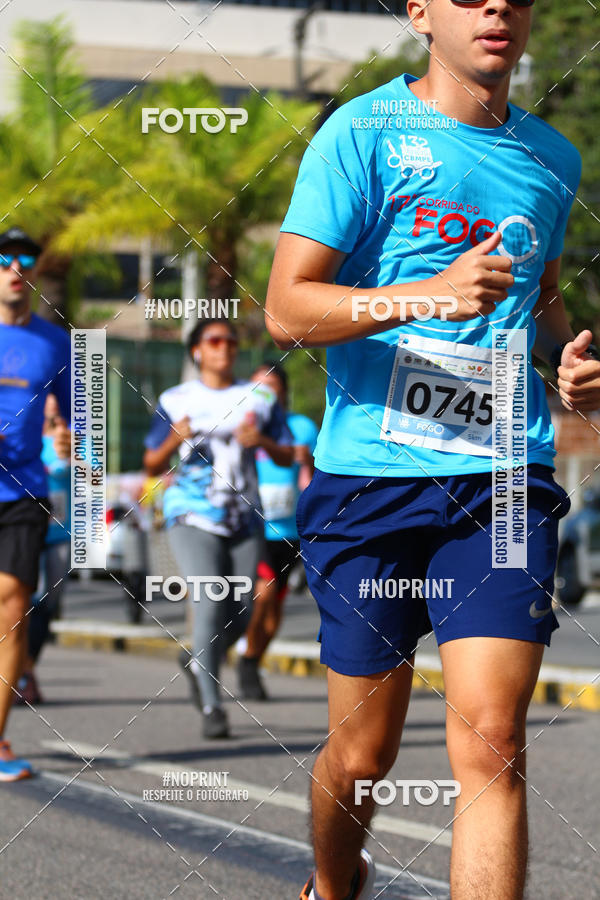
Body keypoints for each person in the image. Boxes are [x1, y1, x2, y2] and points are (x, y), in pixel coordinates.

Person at [266, 2, 600, 897]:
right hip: (370, 481)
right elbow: (288, 309)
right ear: (419, 12)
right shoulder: (362, 132)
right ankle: (335, 883)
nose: (499, 8)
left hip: (502, 479)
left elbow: (540, 299)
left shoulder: (551, 158)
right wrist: (423, 295)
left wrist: (566, 365)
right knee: (364, 752)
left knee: (493, 737)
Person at [143, 318, 293, 738]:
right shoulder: (175, 399)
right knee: (210, 601)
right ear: (197, 351)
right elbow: (152, 464)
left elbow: (286, 456)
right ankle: (212, 707)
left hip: (244, 516)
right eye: (214, 340)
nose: (224, 347)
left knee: (245, 610)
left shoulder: (260, 397)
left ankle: (196, 661)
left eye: (231, 340)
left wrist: (261, 442)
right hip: (190, 513)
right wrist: (175, 440)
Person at [0, 227, 70, 781]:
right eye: (4, 258)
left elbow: (81, 415)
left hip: (24, 489)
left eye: (26, 258)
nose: (15, 267)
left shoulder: (58, 342)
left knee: (12, 604)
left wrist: (73, 439)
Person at [237, 362, 319, 700]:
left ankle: (250, 659)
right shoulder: (238, 426)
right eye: (255, 388)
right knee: (263, 594)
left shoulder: (301, 427)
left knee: (273, 617)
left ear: (284, 393)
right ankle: (235, 657)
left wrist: (306, 462)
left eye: (269, 388)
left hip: (290, 531)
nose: (262, 395)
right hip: (253, 528)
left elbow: (315, 478)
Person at [16, 394, 71, 706]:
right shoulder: (26, 434)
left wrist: (74, 454)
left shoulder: (75, 438)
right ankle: (21, 672)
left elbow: (92, 477)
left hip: (60, 532)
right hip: (26, 527)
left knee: (49, 604)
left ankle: (27, 667)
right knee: (26, 600)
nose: (52, 402)